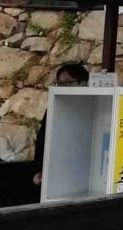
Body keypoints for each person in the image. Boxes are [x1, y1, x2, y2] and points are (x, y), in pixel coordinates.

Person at [32, 61, 90, 191]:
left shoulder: (94, 108)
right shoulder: (54, 107)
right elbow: (42, 139)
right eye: (60, 83)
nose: (63, 87)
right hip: (56, 173)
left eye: (69, 83)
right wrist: (39, 169)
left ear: (83, 83)